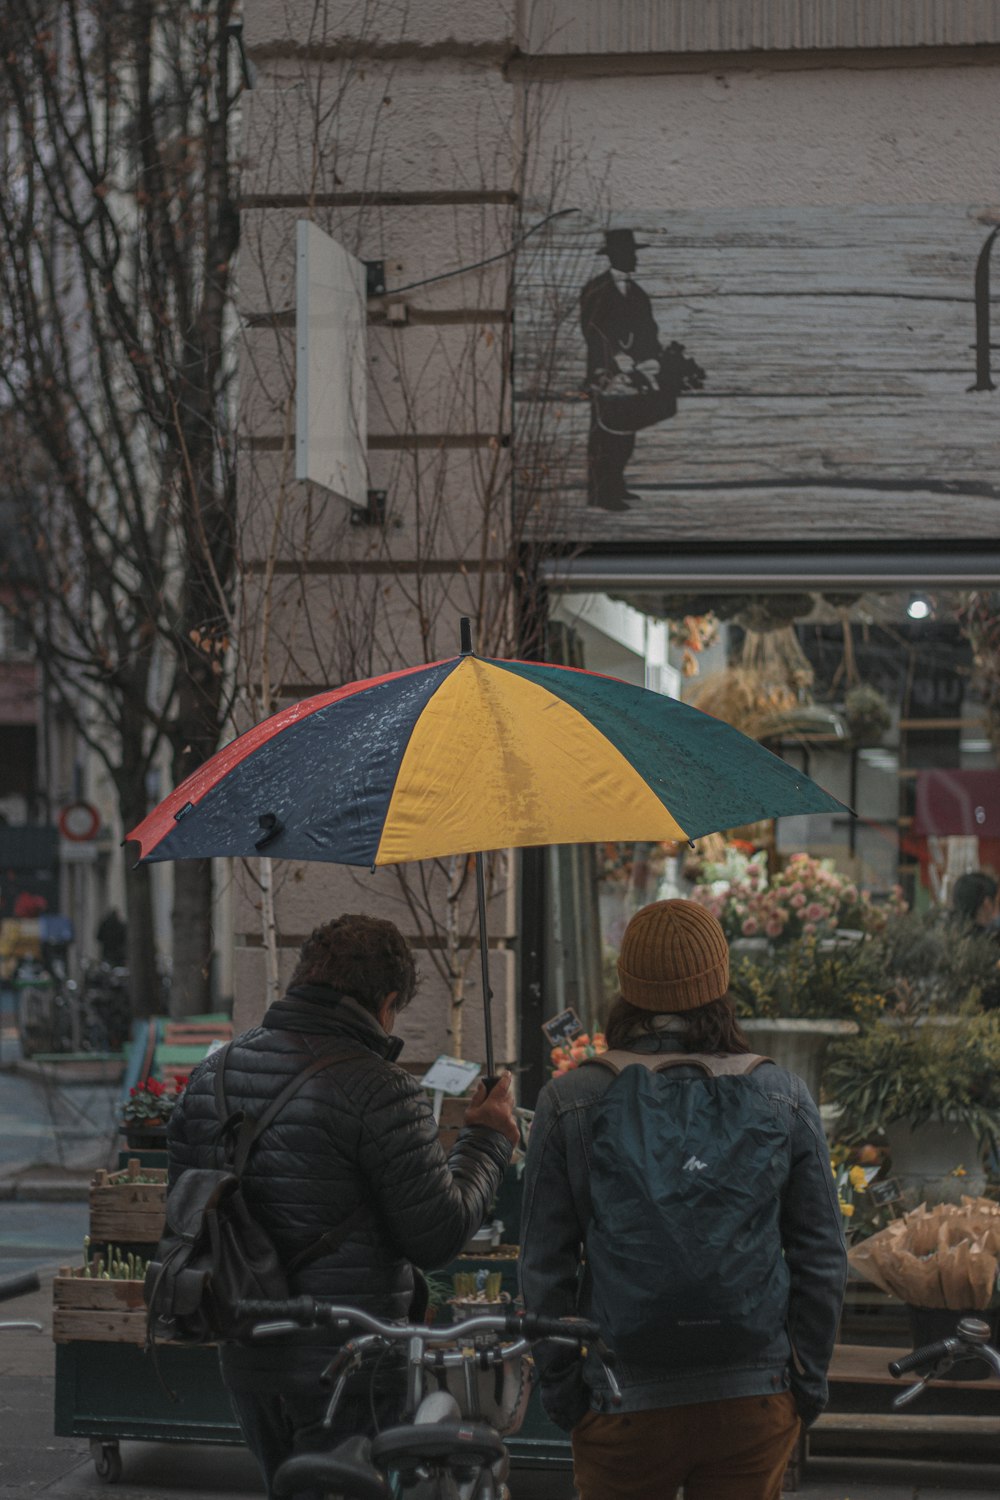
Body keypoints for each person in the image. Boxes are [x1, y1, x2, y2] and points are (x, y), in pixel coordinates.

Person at [167, 913, 519, 1499]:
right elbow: (439, 1232)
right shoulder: (382, 1090)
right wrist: (488, 1138)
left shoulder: (212, 1076)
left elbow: (185, 1215)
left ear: (304, 980)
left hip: (247, 1352)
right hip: (352, 1361)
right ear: (386, 1003)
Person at [520, 899, 847, 1500]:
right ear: (718, 985)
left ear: (627, 989)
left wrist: (567, 1396)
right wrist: (804, 1384)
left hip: (622, 1398)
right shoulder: (782, 1094)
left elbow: (545, 1267)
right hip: (755, 1397)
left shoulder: (572, 1098)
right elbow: (823, 1256)